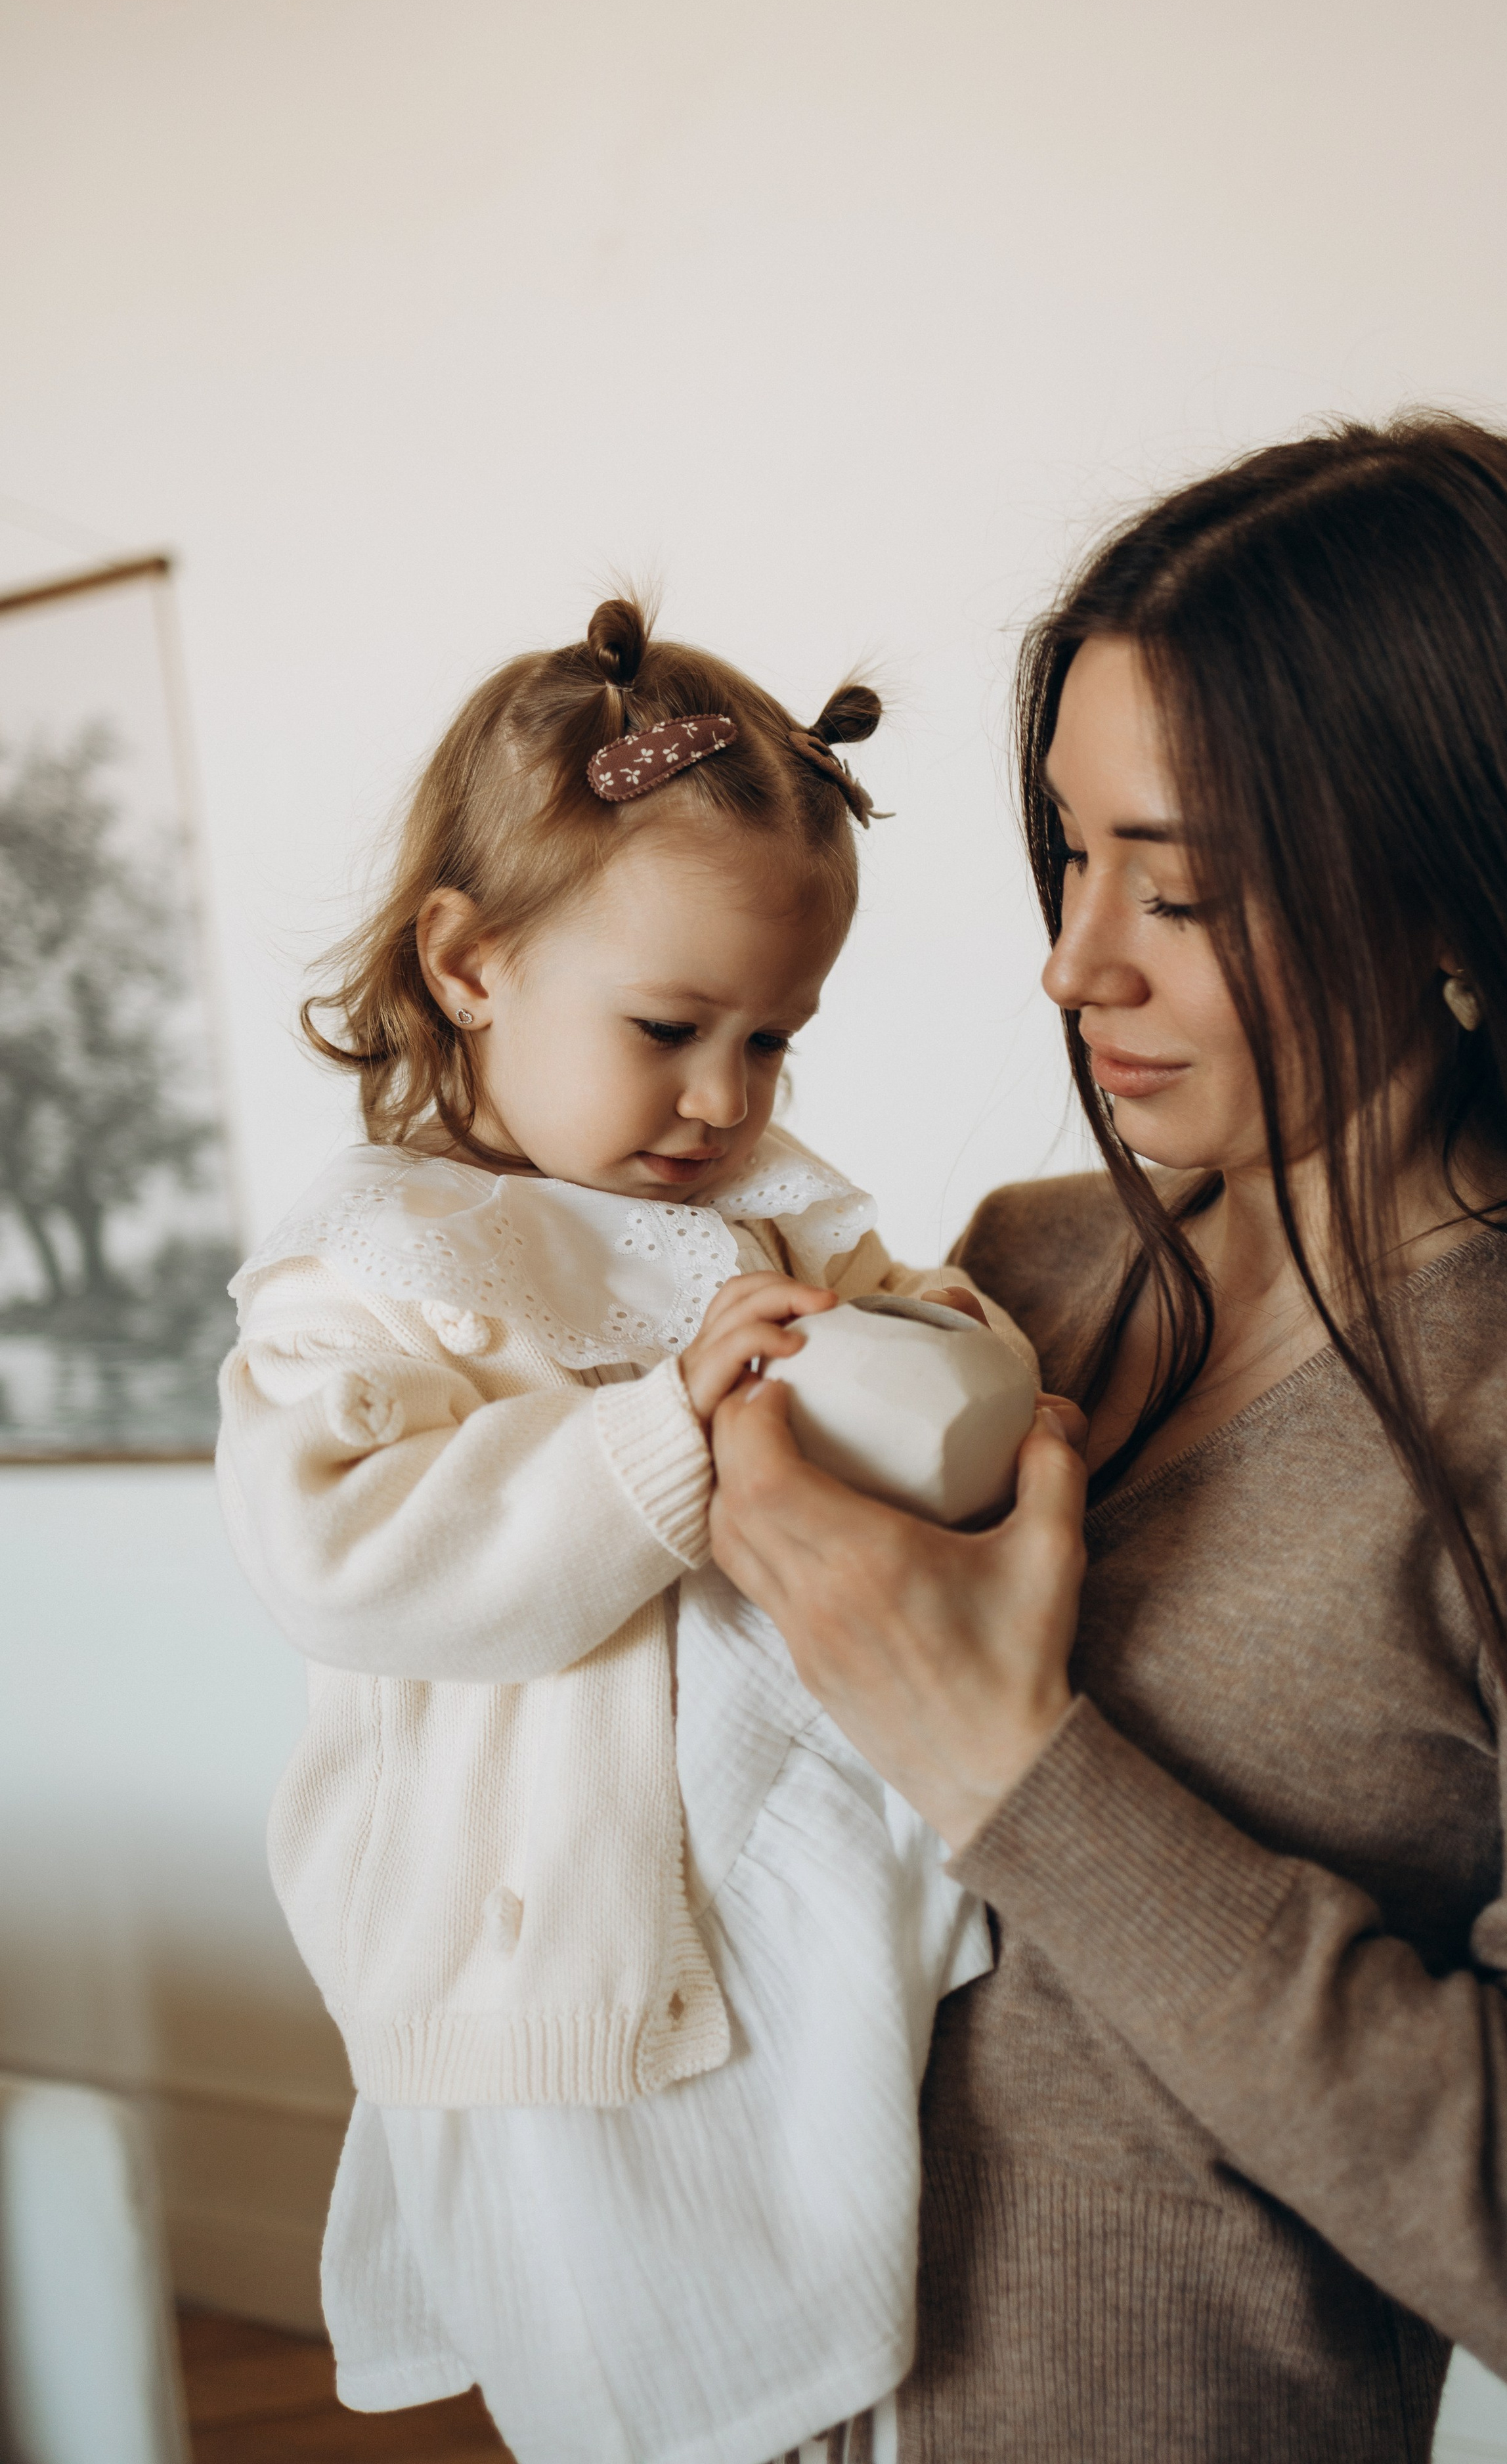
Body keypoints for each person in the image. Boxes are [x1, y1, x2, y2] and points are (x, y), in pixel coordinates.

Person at [711, 417, 1507, 2463]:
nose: (1077, 963)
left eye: (1190, 884)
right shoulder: (1020, 1277)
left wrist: (1006, 1759)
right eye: (1072, 850)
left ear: (1460, 892)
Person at [215, 599, 1035, 2464]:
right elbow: (346, 1557)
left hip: (801, 1860)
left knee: (877, 2259)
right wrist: (658, 1433)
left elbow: (915, 1339)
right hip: (563, 1916)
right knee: (651, 2339)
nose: (725, 1101)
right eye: (673, 1029)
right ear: (470, 959)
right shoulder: (377, 1269)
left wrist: (952, 1353)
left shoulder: (765, 1203)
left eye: (776, 1041)